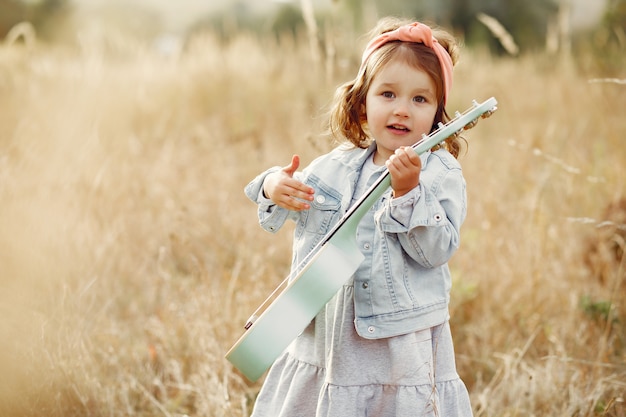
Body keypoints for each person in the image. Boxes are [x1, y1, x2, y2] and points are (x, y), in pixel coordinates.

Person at [244, 16, 473, 417]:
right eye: (388, 94)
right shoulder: (334, 166)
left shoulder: (439, 174)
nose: (402, 109)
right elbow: (284, 202)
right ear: (362, 100)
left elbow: (437, 251)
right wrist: (273, 186)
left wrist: (409, 194)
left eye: (420, 99)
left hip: (399, 347)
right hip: (329, 335)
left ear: (438, 113)